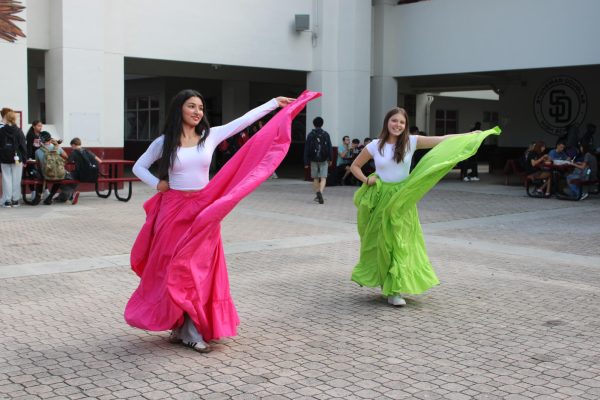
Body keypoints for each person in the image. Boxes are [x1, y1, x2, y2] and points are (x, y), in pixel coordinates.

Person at [125, 88, 299, 353]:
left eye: (201, 108)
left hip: (203, 209)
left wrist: (273, 103)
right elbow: (139, 165)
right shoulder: (164, 141)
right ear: (179, 110)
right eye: (192, 107)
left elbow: (244, 121)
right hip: (172, 210)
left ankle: (192, 328)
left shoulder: (210, 135)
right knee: (174, 267)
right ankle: (182, 325)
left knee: (197, 268)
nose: (198, 112)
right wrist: (157, 184)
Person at [349, 107, 499, 306]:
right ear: (387, 122)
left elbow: (443, 139)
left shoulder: (412, 141)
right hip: (381, 198)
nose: (398, 125)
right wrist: (367, 180)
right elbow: (354, 166)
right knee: (382, 242)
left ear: (406, 125)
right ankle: (387, 284)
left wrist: (469, 135)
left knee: (400, 242)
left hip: (403, 199)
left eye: (402, 122)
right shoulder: (375, 145)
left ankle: (395, 290)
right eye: (394, 121)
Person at [34, 131, 76, 205]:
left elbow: (38, 165)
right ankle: (52, 197)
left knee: (40, 174)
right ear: (50, 139)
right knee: (62, 176)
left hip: (46, 175)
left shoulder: (38, 151)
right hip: (59, 175)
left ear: (41, 140)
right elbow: (66, 157)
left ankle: (38, 197)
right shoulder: (57, 148)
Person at [0, 110, 27, 207]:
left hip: (4, 158)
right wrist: (24, 159)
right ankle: (15, 200)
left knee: (6, 179)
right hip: (17, 158)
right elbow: (23, 146)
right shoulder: (19, 131)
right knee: (16, 179)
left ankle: (7, 201)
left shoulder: (1, 130)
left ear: (6, 119)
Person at [303, 117, 332, 204]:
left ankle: (317, 193)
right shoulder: (326, 134)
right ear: (322, 124)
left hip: (313, 159)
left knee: (315, 178)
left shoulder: (310, 134)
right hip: (323, 159)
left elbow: (307, 148)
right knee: (323, 178)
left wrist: (306, 161)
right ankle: (321, 193)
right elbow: (329, 147)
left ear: (314, 124)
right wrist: (330, 158)